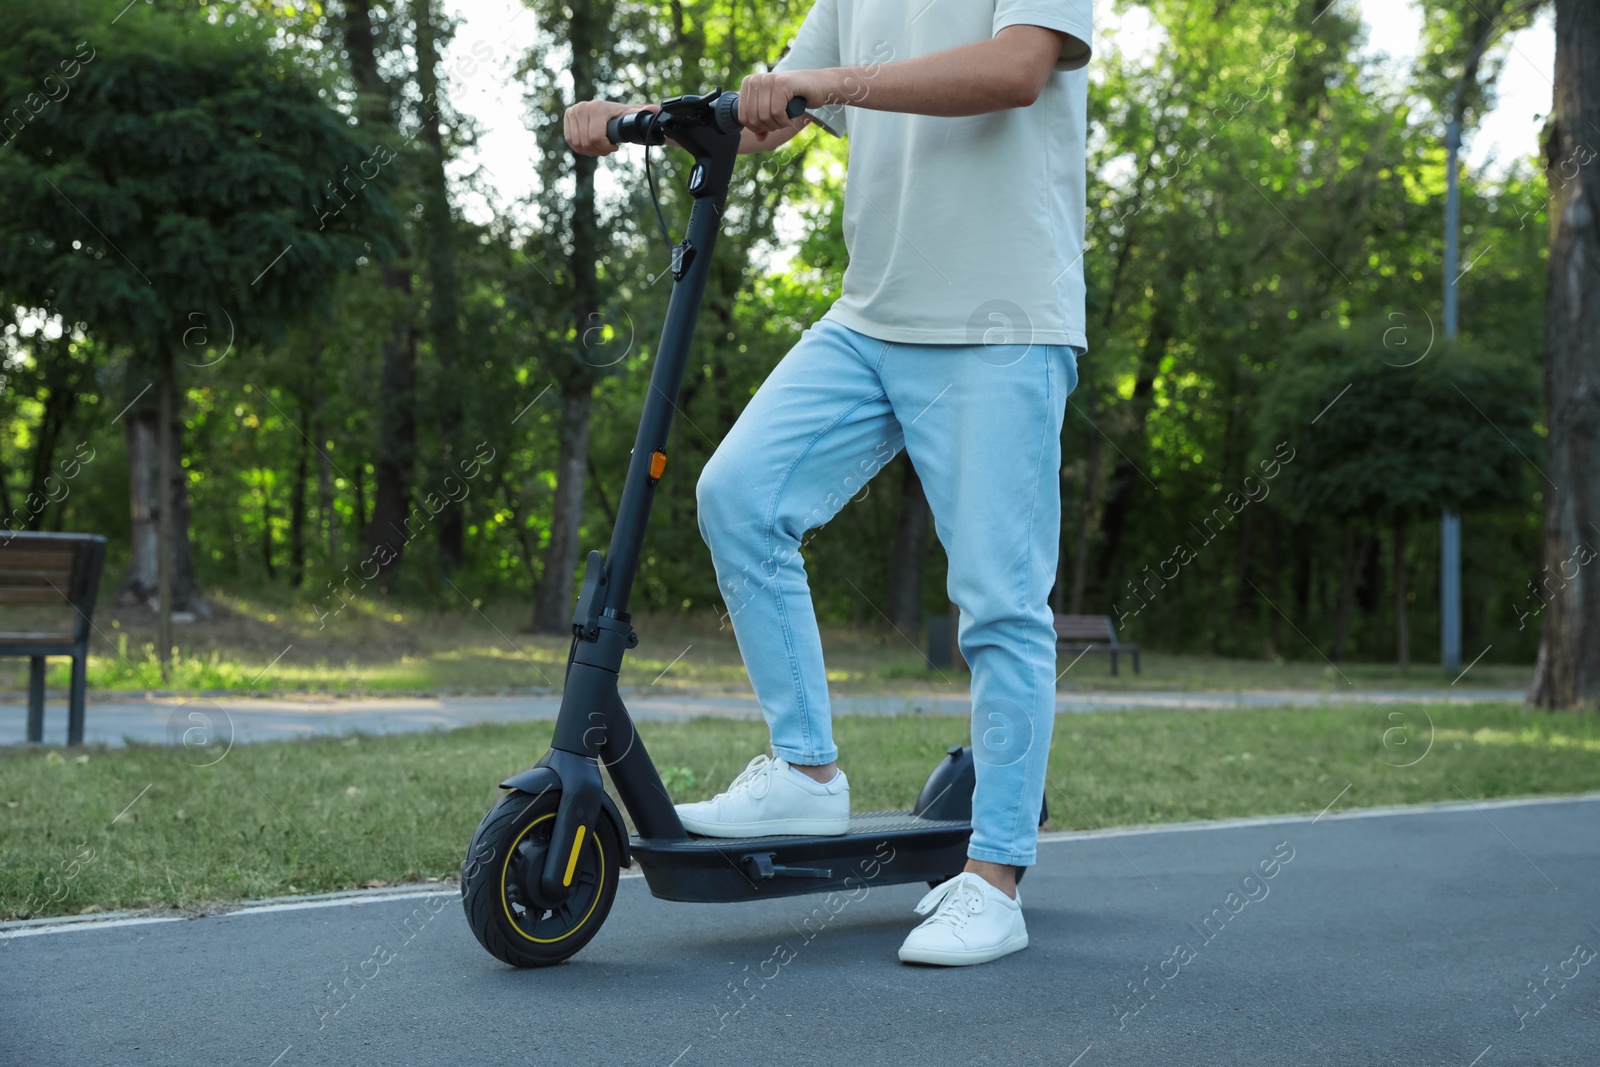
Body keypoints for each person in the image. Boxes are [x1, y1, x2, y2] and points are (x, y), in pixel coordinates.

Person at [564, 0, 1093, 967]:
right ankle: (807, 771)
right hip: (873, 315)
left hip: (1002, 319)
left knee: (999, 602)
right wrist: (641, 113)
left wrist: (827, 87)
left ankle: (996, 877)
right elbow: (771, 112)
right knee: (740, 495)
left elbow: (1018, 70)